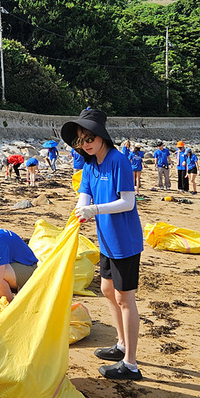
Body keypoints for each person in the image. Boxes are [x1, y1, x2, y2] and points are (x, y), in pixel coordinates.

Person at [62, 108, 144, 381]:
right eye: (80, 140)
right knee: (108, 290)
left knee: (124, 297)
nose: (84, 144)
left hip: (125, 241)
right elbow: (84, 194)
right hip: (106, 241)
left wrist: (94, 210)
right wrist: (80, 212)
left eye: (89, 138)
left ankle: (130, 364)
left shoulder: (118, 161)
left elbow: (128, 202)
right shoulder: (90, 164)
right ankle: (121, 344)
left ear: (101, 137)